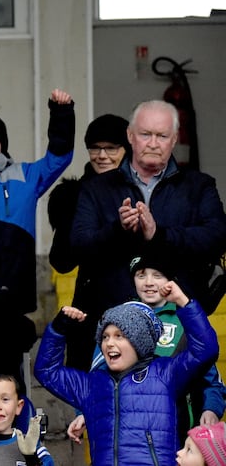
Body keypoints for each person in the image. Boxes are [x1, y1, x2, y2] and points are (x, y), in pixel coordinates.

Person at [0, 89, 75, 381]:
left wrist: (61, 113)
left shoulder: (26, 175)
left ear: (2, 144)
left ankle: (17, 424)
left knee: (9, 379)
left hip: (10, 297)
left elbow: (59, 157)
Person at [70, 100, 226, 315]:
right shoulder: (95, 188)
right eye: (145, 134)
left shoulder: (199, 186)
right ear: (130, 136)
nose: (153, 143)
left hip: (179, 315)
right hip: (113, 318)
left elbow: (217, 238)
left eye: (162, 136)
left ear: (174, 139)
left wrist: (158, 234)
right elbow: (79, 245)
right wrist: (118, 229)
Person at [35, 290, 219, 465]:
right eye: (105, 337)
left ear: (140, 341)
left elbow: (206, 350)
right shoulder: (91, 385)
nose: (109, 343)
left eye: (119, 336)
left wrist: (184, 302)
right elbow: (46, 371)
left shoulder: (164, 374)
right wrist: (58, 329)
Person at [67, 250, 226, 447]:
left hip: (178, 438)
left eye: (157, 275)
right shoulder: (118, 320)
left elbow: (211, 379)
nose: (148, 282)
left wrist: (211, 409)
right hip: (128, 437)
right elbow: (96, 379)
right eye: (141, 275)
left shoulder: (187, 320)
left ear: (170, 280)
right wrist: (85, 412)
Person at [47, 113, 130, 369]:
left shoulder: (144, 189)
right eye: (95, 148)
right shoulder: (73, 196)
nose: (102, 155)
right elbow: (61, 261)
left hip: (135, 303)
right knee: (87, 393)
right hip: (90, 307)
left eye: (111, 148)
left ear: (126, 149)